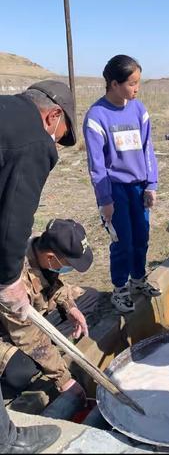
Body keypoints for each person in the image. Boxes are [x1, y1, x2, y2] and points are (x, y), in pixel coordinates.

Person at [0, 80, 76, 452]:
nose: (55, 145)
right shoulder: (32, 139)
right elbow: (13, 219)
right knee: (19, 367)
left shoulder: (4, 113)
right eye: (59, 137)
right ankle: (6, 441)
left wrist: (69, 303)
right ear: (52, 116)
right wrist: (9, 279)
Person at [83, 55, 160, 313]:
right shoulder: (97, 117)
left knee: (142, 237)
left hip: (139, 187)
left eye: (138, 82)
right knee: (122, 241)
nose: (136, 88)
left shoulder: (140, 111)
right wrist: (105, 200)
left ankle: (138, 280)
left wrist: (151, 184)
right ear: (114, 84)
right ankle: (119, 288)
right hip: (115, 190)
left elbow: (148, 149)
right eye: (132, 83)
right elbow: (97, 165)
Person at [1, 219, 92, 398]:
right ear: (51, 257)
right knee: (21, 372)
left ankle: (49, 344)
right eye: (69, 264)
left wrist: (70, 307)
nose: (69, 269)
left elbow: (54, 284)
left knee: (89, 298)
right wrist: (63, 378)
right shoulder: (13, 279)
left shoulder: (37, 247)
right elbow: (27, 333)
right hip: (12, 325)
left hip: (31, 315)